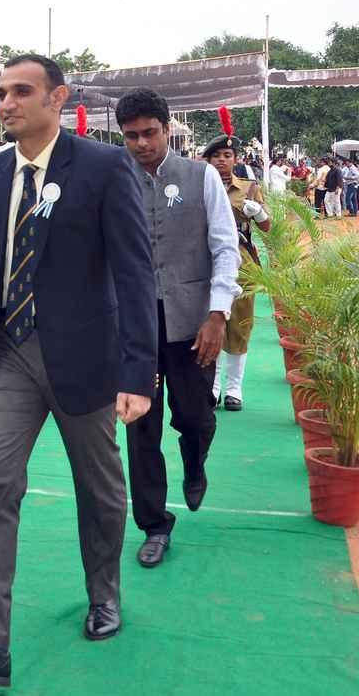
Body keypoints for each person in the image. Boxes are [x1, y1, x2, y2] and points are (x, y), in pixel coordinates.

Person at [0, 54, 158, 687]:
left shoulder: (104, 167)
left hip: (86, 359)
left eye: (21, 91)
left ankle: (104, 593)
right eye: (1, 92)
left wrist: (137, 372)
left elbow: (136, 272)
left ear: (58, 98)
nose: (7, 102)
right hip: (10, 356)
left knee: (100, 489)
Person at [116, 94, 240, 572]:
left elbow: (224, 247)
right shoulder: (113, 180)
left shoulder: (201, 176)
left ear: (168, 129)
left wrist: (217, 314)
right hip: (134, 329)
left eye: (150, 132)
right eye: (131, 136)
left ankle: (194, 461)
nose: (142, 143)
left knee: (196, 417)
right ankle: (154, 525)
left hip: (193, 323)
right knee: (140, 429)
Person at [205, 124, 271, 413]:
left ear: (235, 159)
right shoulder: (200, 185)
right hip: (206, 260)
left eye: (227, 155)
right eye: (216, 155)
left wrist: (259, 212)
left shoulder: (248, 188)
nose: (222, 160)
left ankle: (234, 388)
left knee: (240, 324)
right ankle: (213, 386)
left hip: (241, 262)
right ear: (208, 159)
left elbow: (267, 227)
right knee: (212, 320)